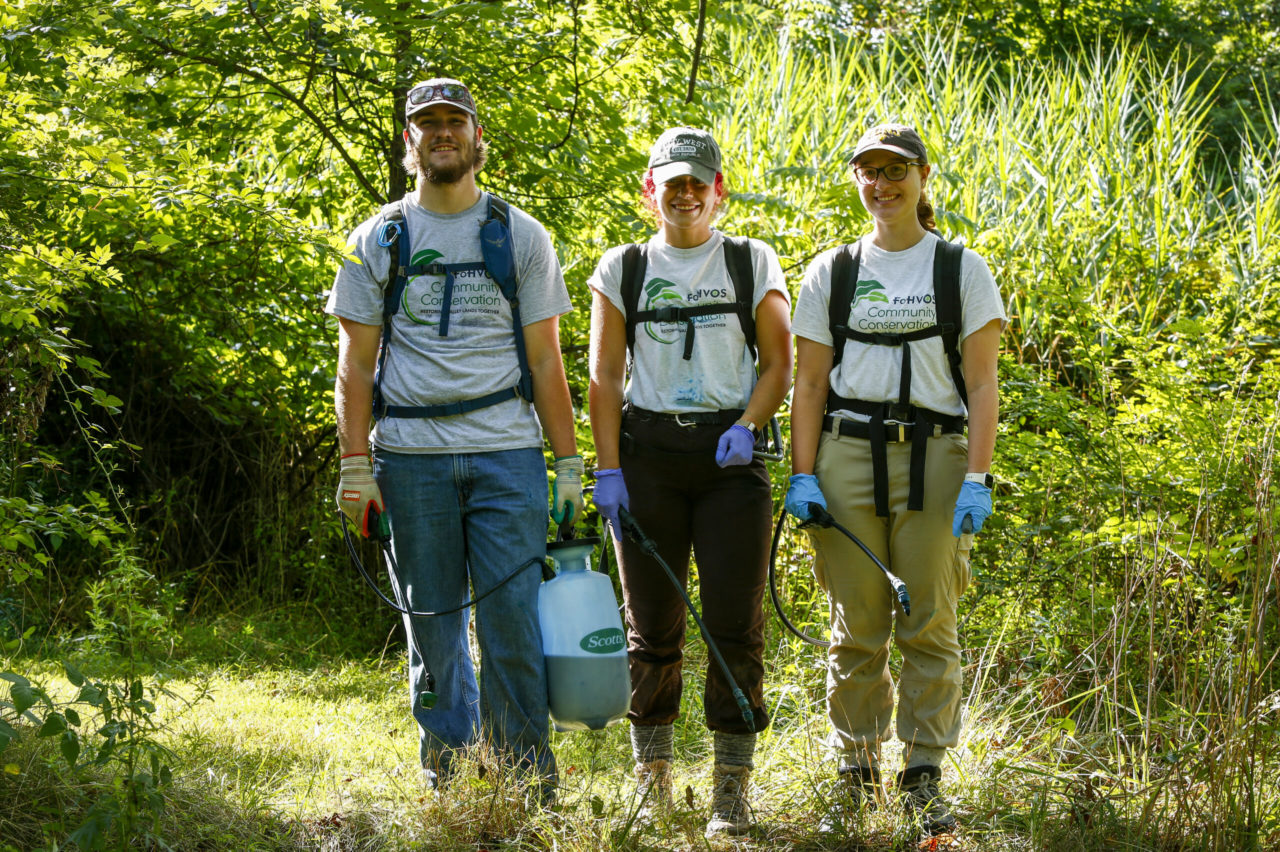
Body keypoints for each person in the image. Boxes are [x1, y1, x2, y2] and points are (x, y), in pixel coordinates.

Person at [327, 78, 584, 801]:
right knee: (433, 630)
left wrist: (568, 466)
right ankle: (451, 784)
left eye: (454, 122)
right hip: (408, 461)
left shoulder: (520, 234)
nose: (442, 133)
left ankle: (526, 787)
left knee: (512, 628)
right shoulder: (376, 239)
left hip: (507, 455)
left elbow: (544, 360)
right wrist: (355, 468)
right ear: (409, 142)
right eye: (427, 123)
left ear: (477, 139)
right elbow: (356, 363)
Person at [785, 123, 1005, 835]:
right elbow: (809, 384)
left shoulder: (961, 268)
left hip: (937, 457)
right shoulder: (832, 271)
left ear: (923, 175)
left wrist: (979, 476)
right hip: (846, 456)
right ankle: (854, 773)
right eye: (868, 171)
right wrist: (802, 475)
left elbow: (981, 383)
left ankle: (923, 775)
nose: (881, 185)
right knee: (857, 624)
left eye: (895, 170)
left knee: (929, 620)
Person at [587, 127, 792, 838]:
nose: (684, 193)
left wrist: (750, 423)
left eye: (696, 182)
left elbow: (778, 362)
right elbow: (606, 376)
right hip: (647, 460)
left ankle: (731, 791)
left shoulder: (748, 260)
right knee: (651, 630)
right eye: (669, 181)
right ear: (650, 191)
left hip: (730, 465)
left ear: (717, 190)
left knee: (736, 628)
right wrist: (607, 468)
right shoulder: (624, 267)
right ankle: (654, 781)